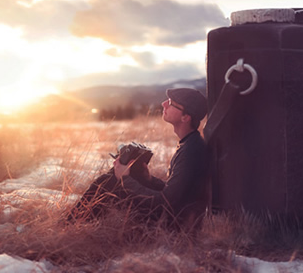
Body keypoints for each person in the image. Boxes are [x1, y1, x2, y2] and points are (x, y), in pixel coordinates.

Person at [67, 87, 210, 229]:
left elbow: (166, 202)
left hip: (174, 223)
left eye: (171, 103)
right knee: (114, 178)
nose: (164, 104)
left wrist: (125, 179)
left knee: (110, 182)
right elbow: (177, 193)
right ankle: (74, 223)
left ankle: (70, 226)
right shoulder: (190, 143)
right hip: (176, 215)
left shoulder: (191, 151)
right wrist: (149, 180)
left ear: (185, 117)